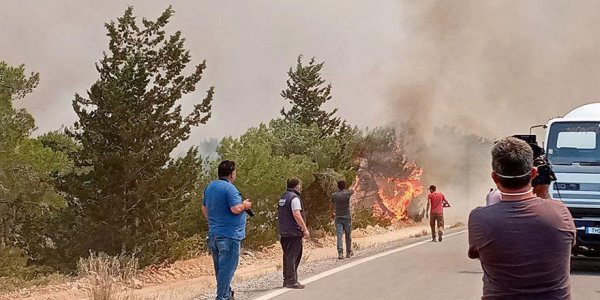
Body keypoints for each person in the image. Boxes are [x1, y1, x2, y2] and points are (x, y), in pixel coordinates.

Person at [468, 137, 576, 299]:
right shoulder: (560, 212)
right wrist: (543, 190)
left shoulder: (479, 218)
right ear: (533, 173)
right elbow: (568, 243)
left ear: (495, 178)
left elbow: (478, 252)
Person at [202, 160, 252, 300]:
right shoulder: (229, 188)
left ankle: (227, 293)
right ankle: (222, 296)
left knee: (220, 268)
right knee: (228, 268)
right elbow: (235, 209)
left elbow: (204, 208)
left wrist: (213, 222)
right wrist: (245, 205)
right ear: (232, 174)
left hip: (214, 233)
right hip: (229, 235)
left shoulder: (210, 187)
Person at [277, 178, 309, 289]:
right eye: (299, 185)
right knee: (293, 256)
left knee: (287, 256)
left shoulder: (283, 197)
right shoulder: (294, 198)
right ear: (296, 186)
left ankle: (287, 279)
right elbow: (296, 214)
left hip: (284, 232)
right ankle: (291, 281)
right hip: (293, 232)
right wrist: (304, 229)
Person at [330, 180, 355, 259]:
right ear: (345, 186)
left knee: (339, 235)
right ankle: (348, 252)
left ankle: (340, 253)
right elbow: (353, 190)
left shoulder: (334, 195)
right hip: (347, 217)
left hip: (338, 217)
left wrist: (331, 213)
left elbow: (331, 206)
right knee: (348, 235)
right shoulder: (348, 194)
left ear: (337, 186)